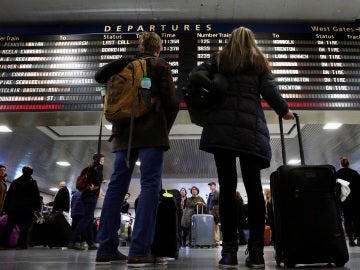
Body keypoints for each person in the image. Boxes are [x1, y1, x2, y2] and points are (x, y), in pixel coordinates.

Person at [190, 26, 294, 268]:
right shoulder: (259, 62)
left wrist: (216, 86)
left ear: (231, 40)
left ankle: (228, 252)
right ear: (252, 41)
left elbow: (195, 75)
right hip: (251, 130)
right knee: (254, 189)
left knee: (226, 190)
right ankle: (256, 251)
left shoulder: (220, 58)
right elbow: (269, 90)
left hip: (221, 129)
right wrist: (284, 110)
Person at [94, 31, 179, 267]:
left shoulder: (124, 66)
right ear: (158, 49)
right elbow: (172, 102)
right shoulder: (160, 65)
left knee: (115, 188)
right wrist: (164, 129)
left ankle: (106, 248)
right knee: (150, 185)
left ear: (140, 47)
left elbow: (101, 79)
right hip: (151, 135)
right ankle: (140, 250)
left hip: (123, 136)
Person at [68, 153, 104, 251]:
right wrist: (97, 185)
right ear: (99, 159)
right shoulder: (98, 167)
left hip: (85, 194)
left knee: (88, 220)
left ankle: (90, 243)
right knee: (86, 218)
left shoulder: (88, 168)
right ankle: (72, 240)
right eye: (103, 159)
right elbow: (97, 180)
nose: (103, 161)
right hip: (92, 195)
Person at [0, 165, 40, 249]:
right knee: (24, 228)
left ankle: (4, 244)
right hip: (27, 210)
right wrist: (37, 208)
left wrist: (6, 208)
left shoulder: (15, 181)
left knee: (9, 226)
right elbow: (36, 196)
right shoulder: (32, 182)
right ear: (31, 172)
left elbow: (9, 196)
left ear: (22, 171)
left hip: (14, 209)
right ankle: (21, 244)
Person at [336, 157, 360, 247]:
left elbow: (337, 189)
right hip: (356, 200)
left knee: (347, 219)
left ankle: (350, 240)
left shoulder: (337, 174)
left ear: (341, 164)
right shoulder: (355, 173)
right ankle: (359, 238)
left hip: (344, 201)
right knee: (357, 218)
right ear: (348, 164)